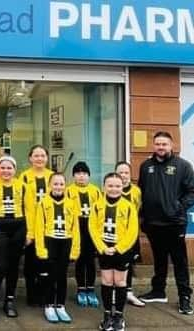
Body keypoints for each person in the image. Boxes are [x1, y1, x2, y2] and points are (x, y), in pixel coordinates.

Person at [137, 131, 194, 314]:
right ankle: (158, 291)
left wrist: (179, 207)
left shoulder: (183, 166)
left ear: (172, 146)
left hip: (174, 223)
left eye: (164, 144)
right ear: (153, 145)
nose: (161, 147)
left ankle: (185, 297)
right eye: (158, 144)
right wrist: (143, 217)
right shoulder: (146, 166)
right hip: (153, 223)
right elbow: (142, 191)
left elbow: (192, 191)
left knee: (180, 262)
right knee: (159, 260)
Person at [0, 156, 31, 321]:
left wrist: (30, 234)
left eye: (9, 168)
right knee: (1, 265)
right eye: (3, 167)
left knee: (13, 267)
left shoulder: (23, 186)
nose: (6, 171)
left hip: (19, 228)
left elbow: (29, 210)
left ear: (14, 170)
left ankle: (9, 300)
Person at [89, 173, 138, 331]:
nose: (114, 189)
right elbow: (93, 228)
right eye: (110, 186)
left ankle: (119, 315)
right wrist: (102, 247)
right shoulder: (97, 205)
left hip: (121, 251)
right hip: (104, 250)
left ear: (122, 187)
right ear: (104, 187)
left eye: (117, 186)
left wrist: (118, 248)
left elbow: (132, 231)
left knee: (120, 282)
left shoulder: (128, 206)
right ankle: (107, 315)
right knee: (107, 281)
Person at [35, 173, 80, 323]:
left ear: (65, 186)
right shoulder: (43, 203)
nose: (58, 187)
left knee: (62, 275)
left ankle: (60, 305)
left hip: (65, 242)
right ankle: (49, 305)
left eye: (61, 184)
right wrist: (41, 249)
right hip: (50, 242)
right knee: (49, 276)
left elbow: (75, 229)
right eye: (55, 184)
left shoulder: (71, 204)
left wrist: (75, 249)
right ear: (49, 186)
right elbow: (39, 228)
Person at [19, 145, 53, 305]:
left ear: (46, 158)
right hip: (30, 226)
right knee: (31, 263)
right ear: (30, 158)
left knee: (45, 262)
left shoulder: (52, 176)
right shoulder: (24, 177)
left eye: (42, 155)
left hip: (50, 227)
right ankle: (31, 295)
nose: (39, 158)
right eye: (36, 155)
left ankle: (44, 294)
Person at [66, 161, 101, 307]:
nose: (81, 176)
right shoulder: (69, 190)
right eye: (78, 173)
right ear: (74, 176)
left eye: (84, 174)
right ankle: (81, 288)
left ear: (89, 176)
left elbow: (101, 211)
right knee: (80, 259)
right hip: (77, 227)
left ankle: (90, 289)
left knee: (90, 260)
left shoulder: (95, 190)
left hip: (91, 227)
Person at [115, 161, 144, 307]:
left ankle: (128, 291)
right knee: (115, 263)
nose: (124, 175)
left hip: (131, 234)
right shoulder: (111, 190)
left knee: (129, 263)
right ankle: (115, 291)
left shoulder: (136, 191)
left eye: (126, 172)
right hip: (115, 235)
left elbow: (138, 209)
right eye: (120, 172)